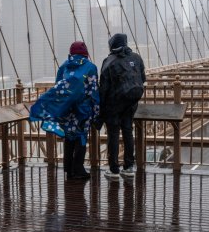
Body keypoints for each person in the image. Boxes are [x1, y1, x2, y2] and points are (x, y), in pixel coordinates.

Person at [29, 41, 100, 180]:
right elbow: (93, 91)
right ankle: (78, 169)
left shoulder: (63, 66)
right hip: (82, 111)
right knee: (81, 138)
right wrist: (96, 112)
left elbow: (59, 88)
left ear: (71, 53)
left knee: (68, 137)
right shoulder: (91, 67)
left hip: (66, 110)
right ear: (85, 53)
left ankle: (68, 169)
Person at [98, 33, 146, 179]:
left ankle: (113, 170)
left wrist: (101, 108)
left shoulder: (109, 61)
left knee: (113, 135)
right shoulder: (136, 58)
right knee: (127, 132)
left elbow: (104, 88)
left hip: (113, 105)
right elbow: (143, 79)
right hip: (131, 103)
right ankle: (129, 167)